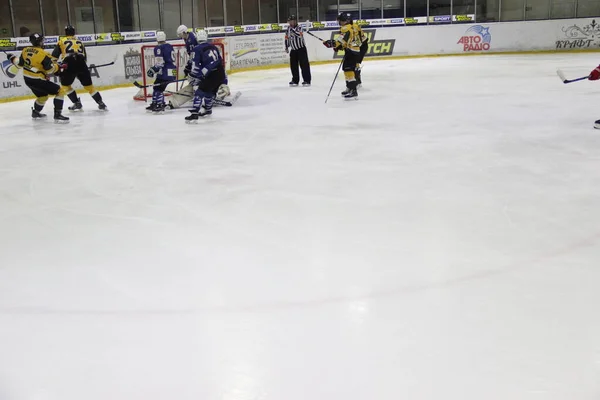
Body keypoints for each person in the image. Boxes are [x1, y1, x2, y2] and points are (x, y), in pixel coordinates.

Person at [6, 33, 69, 122]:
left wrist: (12, 58)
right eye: (41, 40)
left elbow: (20, 64)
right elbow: (50, 70)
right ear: (39, 42)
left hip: (28, 80)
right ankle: (58, 114)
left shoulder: (25, 50)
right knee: (60, 91)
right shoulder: (43, 53)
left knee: (43, 96)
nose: (43, 42)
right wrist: (59, 67)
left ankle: (36, 112)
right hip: (38, 80)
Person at [168, 27, 232, 109]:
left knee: (198, 81)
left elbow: (194, 59)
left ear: (184, 32)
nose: (180, 37)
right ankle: (217, 91)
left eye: (180, 34)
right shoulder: (192, 39)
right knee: (217, 76)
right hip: (214, 67)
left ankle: (212, 92)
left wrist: (189, 69)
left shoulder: (192, 41)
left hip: (205, 65)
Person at [52, 25, 107, 111]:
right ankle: (100, 103)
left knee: (65, 86)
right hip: (81, 63)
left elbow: (54, 58)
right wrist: (81, 67)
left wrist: (56, 66)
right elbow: (84, 58)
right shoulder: (80, 42)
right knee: (89, 86)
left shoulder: (61, 41)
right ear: (74, 32)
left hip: (68, 64)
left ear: (65, 33)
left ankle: (76, 103)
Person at [185, 31, 227, 122]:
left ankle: (194, 113)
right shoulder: (213, 46)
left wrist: (193, 75)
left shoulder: (197, 49)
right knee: (209, 92)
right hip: (220, 73)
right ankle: (208, 110)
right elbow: (220, 61)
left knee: (199, 92)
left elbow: (195, 66)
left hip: (211, 74)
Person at [323, 13, 361, 99]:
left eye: (340, 20)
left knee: (349, 70)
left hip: (351, 52)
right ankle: (349, 88)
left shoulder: (345, 28)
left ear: (344, 21)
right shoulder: (353, 26)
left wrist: (331, 44)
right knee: (346, 69)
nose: (339, 22)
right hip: (353, 51)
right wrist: (339, 46)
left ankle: (353, 90)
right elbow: (347, 40)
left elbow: (341, 40)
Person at [146, 31, 176, 113]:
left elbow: (160, 63)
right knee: (156, 86)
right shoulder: (169, 46)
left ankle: (160, 104)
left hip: (165, 72)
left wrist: (152, 70)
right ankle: (155, 103)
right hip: (172, 71)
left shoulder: (159, 48)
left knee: (158, 88)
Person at [285, 15, 311, 87]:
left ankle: (307, 80)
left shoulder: (300, 27)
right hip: (293, 50)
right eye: (289, 21)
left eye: (292, 21)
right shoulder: (288, 29)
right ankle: (295, 80)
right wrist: (286, 46)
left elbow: (300, 35)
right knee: (293, 66)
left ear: (295, 21)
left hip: (301, 49)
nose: (290, 23)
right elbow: (287, 37)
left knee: (304, 65)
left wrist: (293, 31)